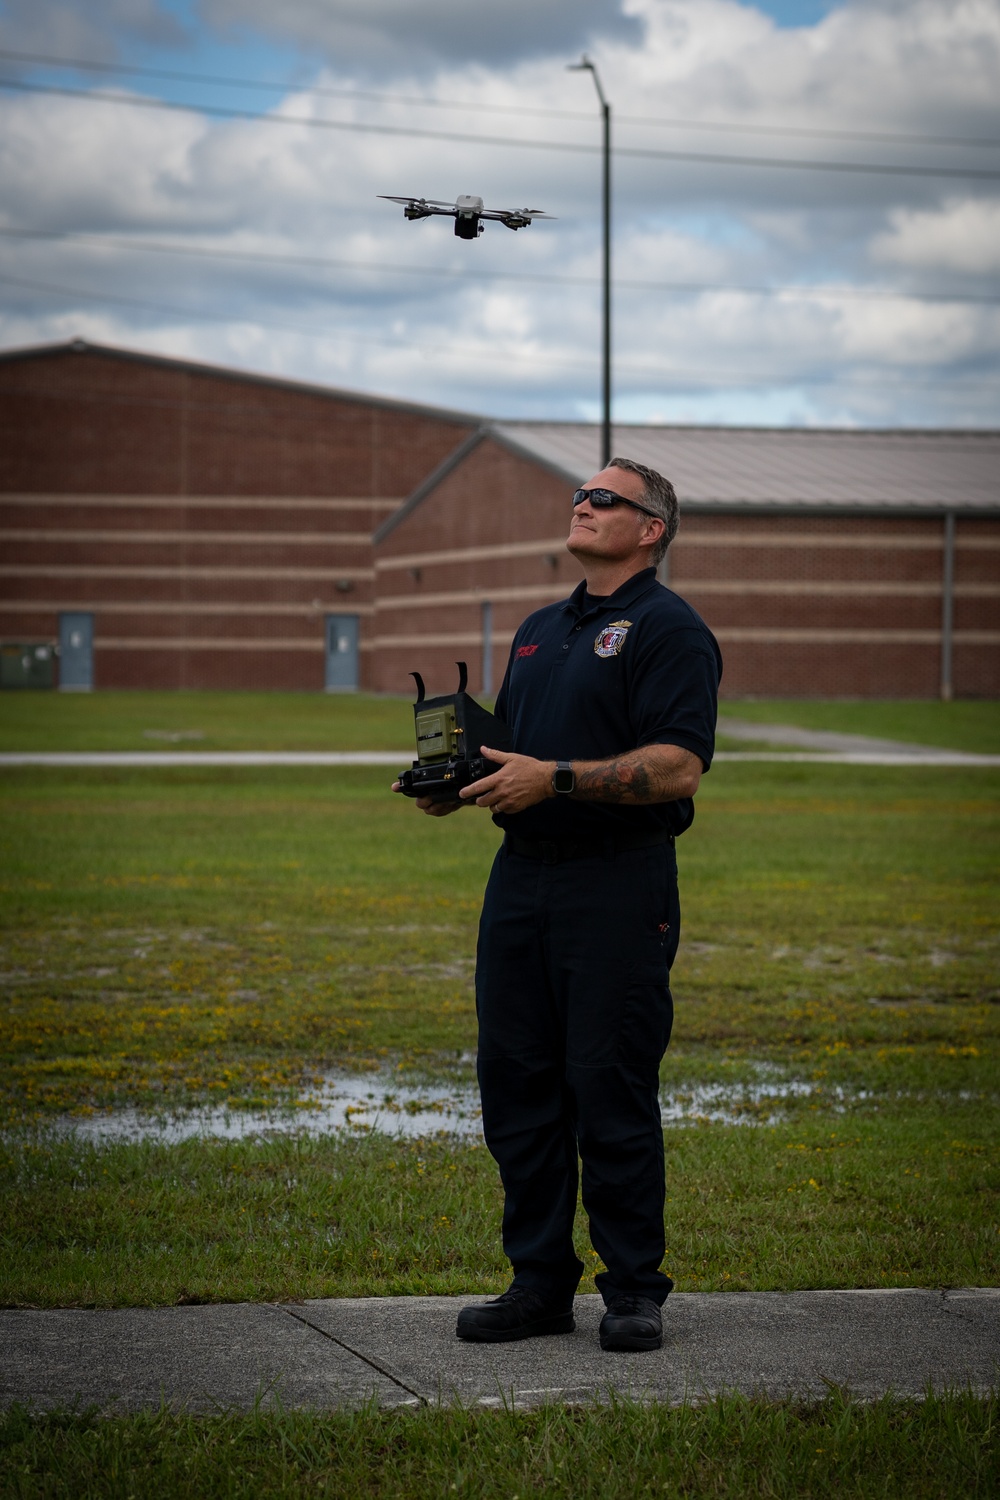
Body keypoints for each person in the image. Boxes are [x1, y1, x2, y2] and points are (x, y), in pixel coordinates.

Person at [395, 457, 721, 1352]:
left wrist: (563, 779)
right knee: (519, 1087)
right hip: (522, 883)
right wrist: (455, 781)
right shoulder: (541, 628)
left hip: (618, 882)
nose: (583, 503)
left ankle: (633, 1292)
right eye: (581, 494)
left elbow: (680, 765)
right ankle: (538, 1284)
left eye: (605, 498)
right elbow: (520, 758)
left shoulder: (669, 629)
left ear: (651, 527)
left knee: (608, 1085)